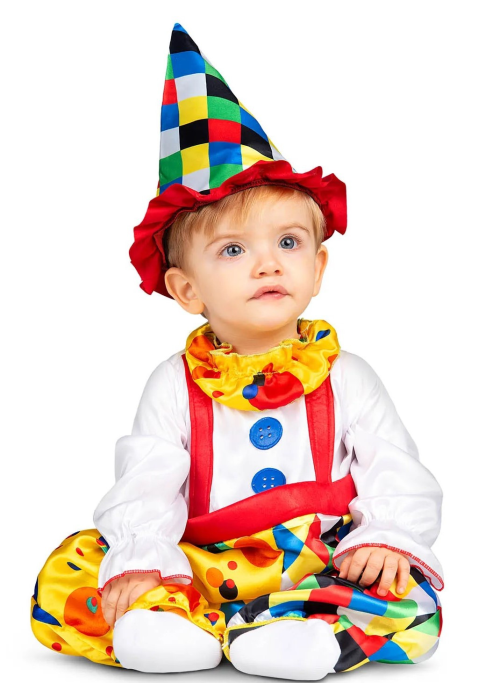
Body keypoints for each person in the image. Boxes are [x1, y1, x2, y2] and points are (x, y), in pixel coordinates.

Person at [30, 22, 444, 681]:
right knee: (79, 574)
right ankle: (172, 624)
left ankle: (305, 632)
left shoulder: (347, 376)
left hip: (316, 562)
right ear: (187, 289)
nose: (267, 264)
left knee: (410, 598)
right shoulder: (174, 383)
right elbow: (147, 483)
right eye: (233, 249)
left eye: (289, 243)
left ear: (319, 267)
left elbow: (396, 470)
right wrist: (143, 560)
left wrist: (387, 539)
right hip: (204, 562)